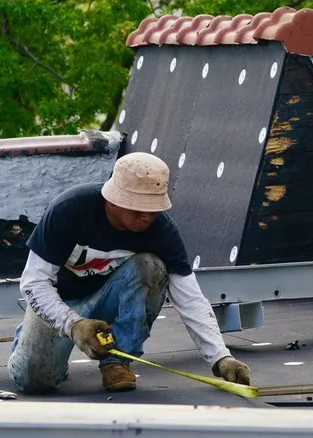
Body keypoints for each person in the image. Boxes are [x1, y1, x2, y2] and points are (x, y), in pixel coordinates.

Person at [7, 152, 251, 394]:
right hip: (60, 304)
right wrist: (73, 324)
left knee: (152, 267)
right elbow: (34, 283)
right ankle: (31, 342)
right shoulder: (69, 210)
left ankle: (117, 361)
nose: (146, 217)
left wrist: (220, 357)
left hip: (108, 300)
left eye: (153, 209)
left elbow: (190, 298)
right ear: (112, 200)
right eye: (137, 209)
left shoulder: (162, 231)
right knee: (33, 381)